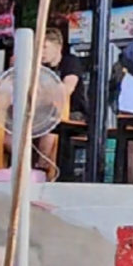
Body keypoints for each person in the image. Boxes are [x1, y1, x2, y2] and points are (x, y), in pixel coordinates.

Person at [36, 27, 88, 178]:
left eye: (45, 47)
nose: (41, 52)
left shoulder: (70, 63)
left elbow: (66, 90)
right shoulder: (41, 68)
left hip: (75, 113)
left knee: (51, 128)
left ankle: (43, 169)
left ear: (58, 47)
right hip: (48, 113)